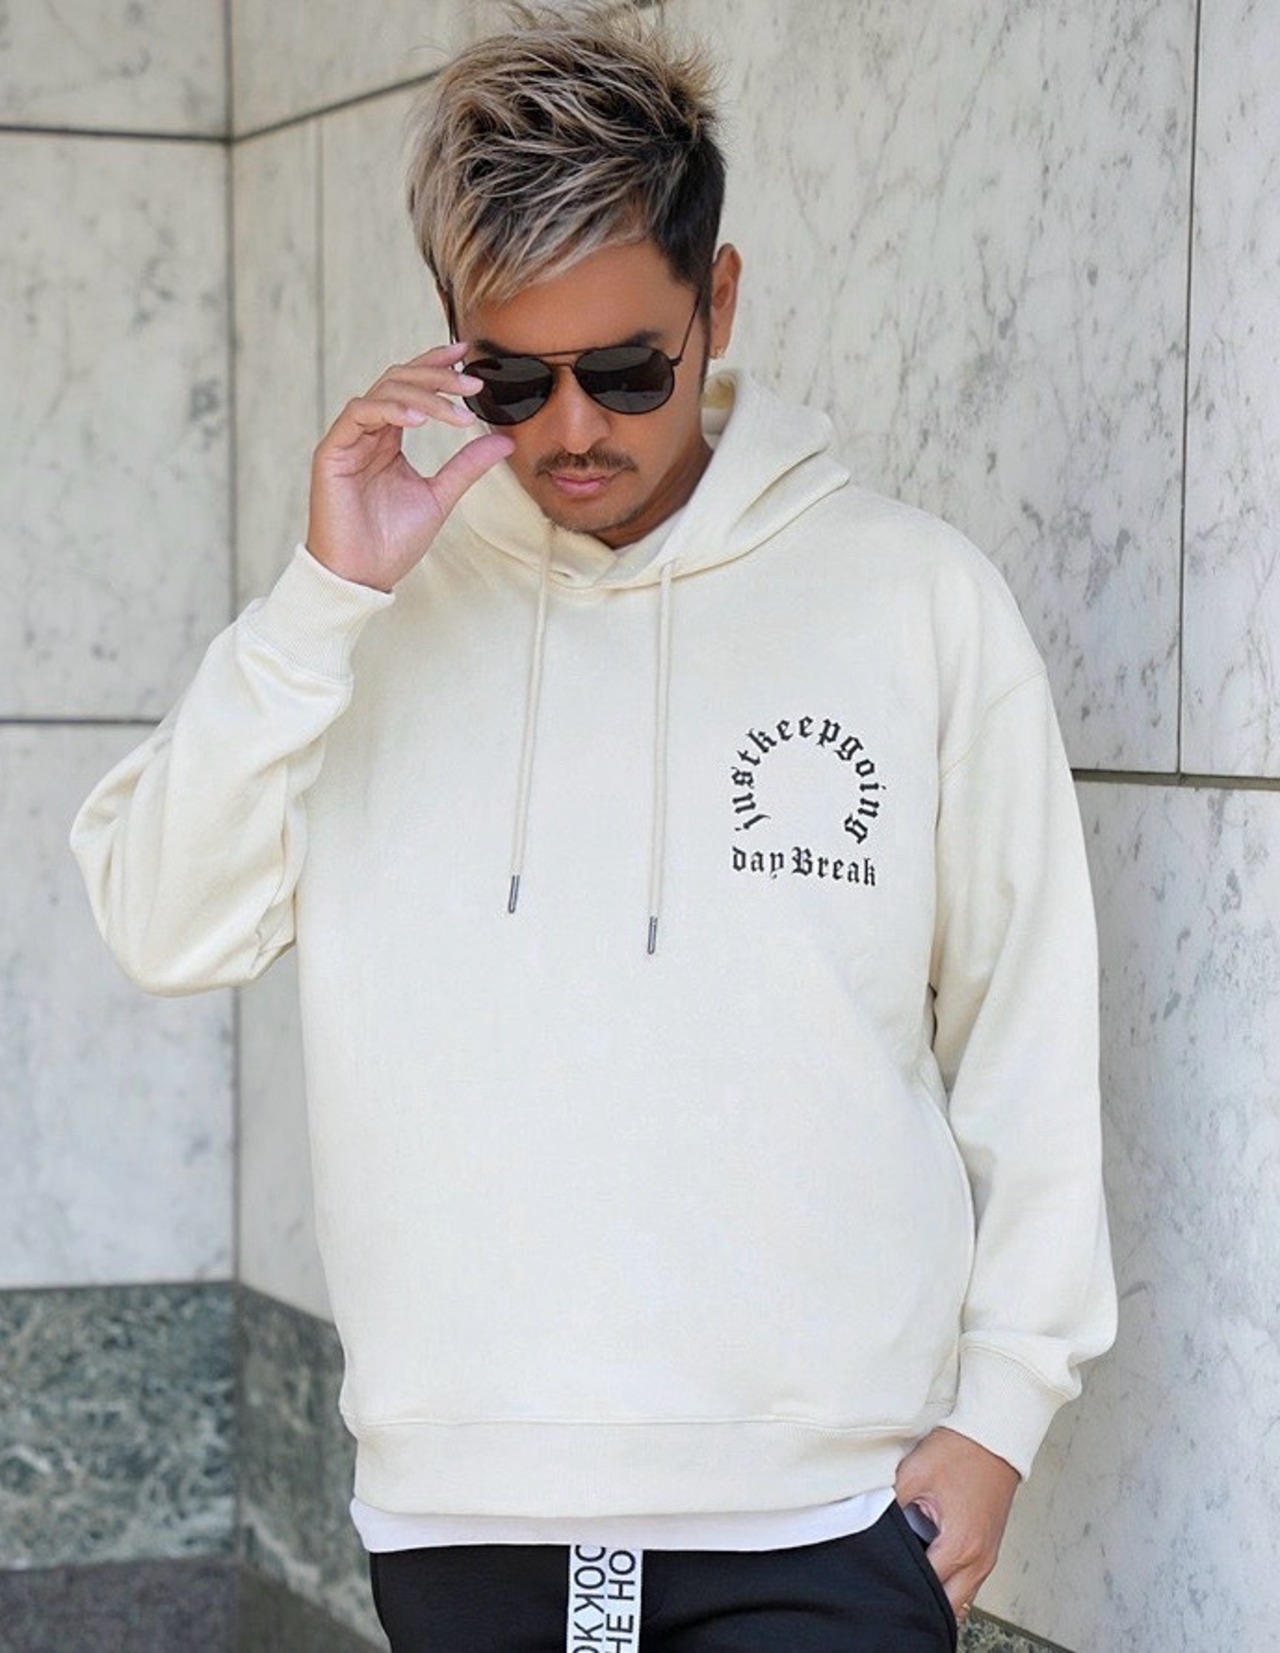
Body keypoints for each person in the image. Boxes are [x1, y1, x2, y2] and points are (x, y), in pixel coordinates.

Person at [71, 6, 1116, 1649]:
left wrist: (1002, 1415)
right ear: (450, 345)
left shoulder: (911, 601)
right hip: (462, 1519)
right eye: (513, 377)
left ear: (720, 301)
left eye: (629, 370)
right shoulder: (365, 625)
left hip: (824, 1519)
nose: (572, 430)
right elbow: (157, 918)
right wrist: (325, 594)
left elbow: (1027, 1026)